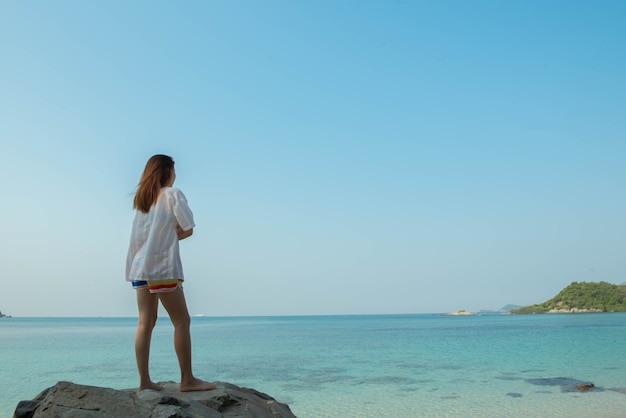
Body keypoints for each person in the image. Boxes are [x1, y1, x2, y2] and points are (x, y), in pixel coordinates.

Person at [126, 154, 216, 392]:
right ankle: (187, 380)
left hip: (139, 267)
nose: (176, 175)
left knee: (145, 322)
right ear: (167, 172)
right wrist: (174, 233)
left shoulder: (142, 202)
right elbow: (187, 228)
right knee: (182, 320)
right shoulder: (172, 194)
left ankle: (144, 381)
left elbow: (140, 238)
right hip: (162, 267)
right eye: (174, 171)